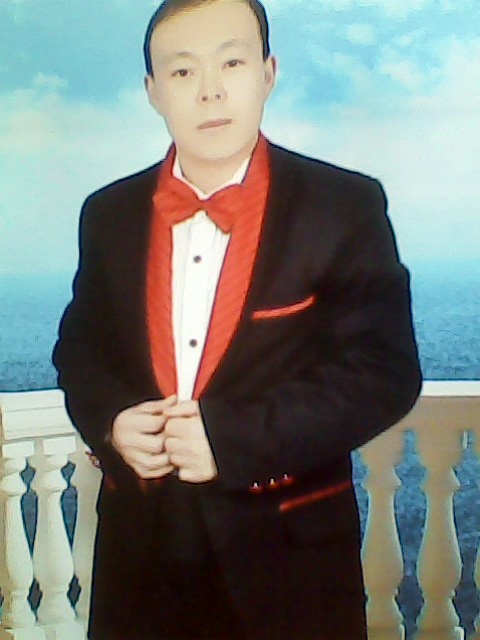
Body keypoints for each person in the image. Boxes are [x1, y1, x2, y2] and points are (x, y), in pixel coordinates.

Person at [53, 0, 422, 638]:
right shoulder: (107, 213)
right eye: (183, 71)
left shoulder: (345, 205)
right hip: (139, 563)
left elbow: (385, 373)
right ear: (152, 91)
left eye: (231, 63)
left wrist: (231, 439)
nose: (211, 91)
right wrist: (110, 419)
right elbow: (80, 346)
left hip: (290, 565)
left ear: (267, 73)